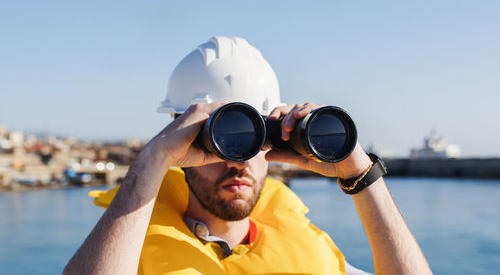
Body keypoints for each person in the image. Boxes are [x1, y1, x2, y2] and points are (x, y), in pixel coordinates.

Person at [64, 37, 432, 275]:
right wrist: (153, 158)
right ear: (184, 137)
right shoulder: (124, 253)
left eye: (255, 137)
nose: (238, 160)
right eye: (224, 137)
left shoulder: (313, 253)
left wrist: (362, 175)